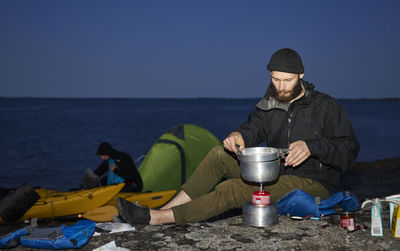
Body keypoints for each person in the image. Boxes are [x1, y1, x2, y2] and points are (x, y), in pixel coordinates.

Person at [117, 48, 360, 225]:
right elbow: (253, 128)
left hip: (314, 184)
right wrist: (238, 135)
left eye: (288, 80)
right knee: (218, 154)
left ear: (301, 76)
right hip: (277, 172)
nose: (282, 87)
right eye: (276, 79)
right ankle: (168, 207)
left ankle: (159, 219)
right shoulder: (269, 103)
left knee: (232, 188)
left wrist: (313, 146)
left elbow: (349, 150)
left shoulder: (326, 107)